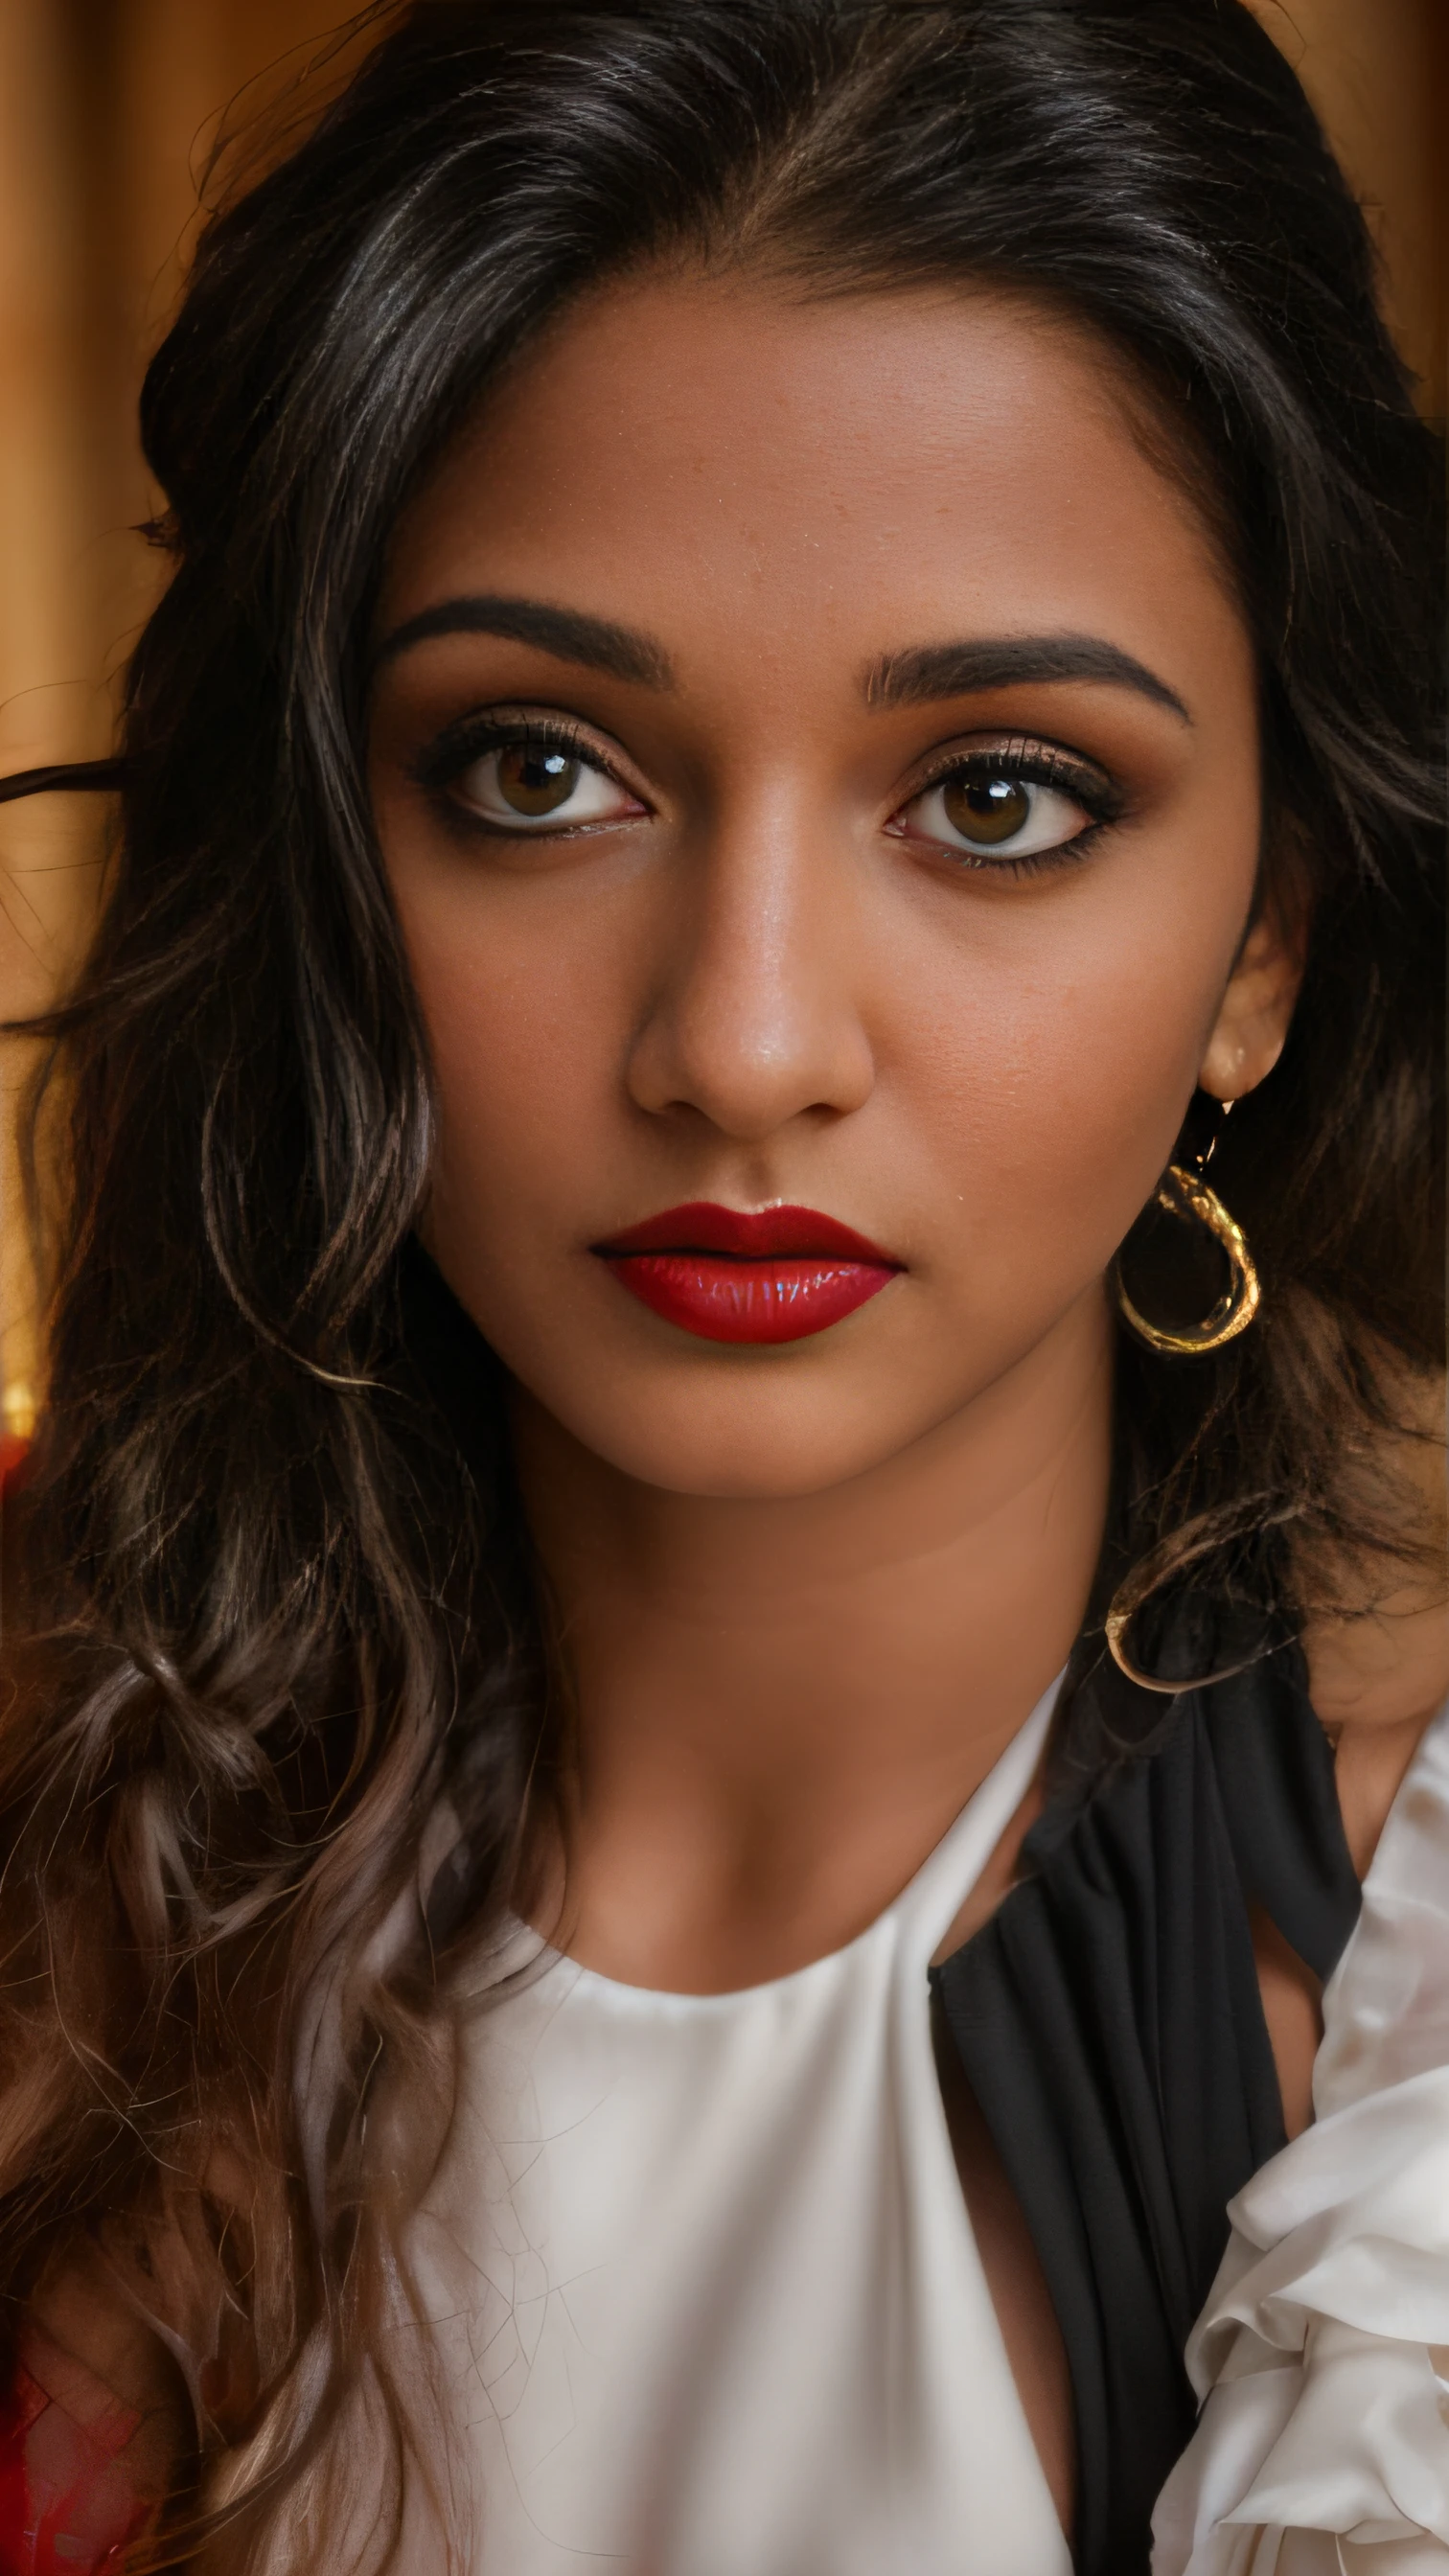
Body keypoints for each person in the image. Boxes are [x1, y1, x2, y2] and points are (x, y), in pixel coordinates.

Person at [0, 2, 1442, 2569]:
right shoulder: (59, 1833)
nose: (743, 1044)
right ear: (329, 855)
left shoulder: (1406, 2013)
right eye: (538, 769)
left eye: (1000, 798)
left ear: (1267, 942)